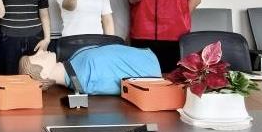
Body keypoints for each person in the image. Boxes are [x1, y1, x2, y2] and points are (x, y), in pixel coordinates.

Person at [19, 45, 161, 95]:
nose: (39, 51)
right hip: (152, 71)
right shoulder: (87, 79)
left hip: (148, 58)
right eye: (36, 57)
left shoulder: (75, 64)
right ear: (44, 74)